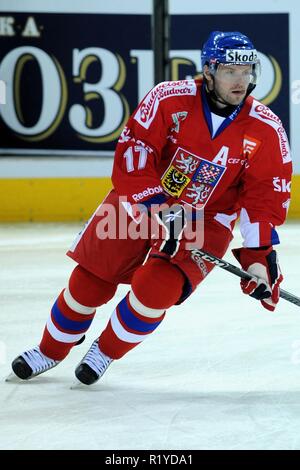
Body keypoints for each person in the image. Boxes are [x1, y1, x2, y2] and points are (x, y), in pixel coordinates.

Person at [10, 31, 292, 385]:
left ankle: (105, 350)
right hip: (143, 198)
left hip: (205, 219)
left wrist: (258, 256)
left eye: (247, 71)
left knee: (156, 288)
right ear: (209, 70)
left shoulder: (265, 128)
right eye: (230, 71)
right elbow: (134, 151)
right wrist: (157, 208)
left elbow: (264, 196)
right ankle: (50, 350)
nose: (241, 81)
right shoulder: (169, 98)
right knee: (89, 283)